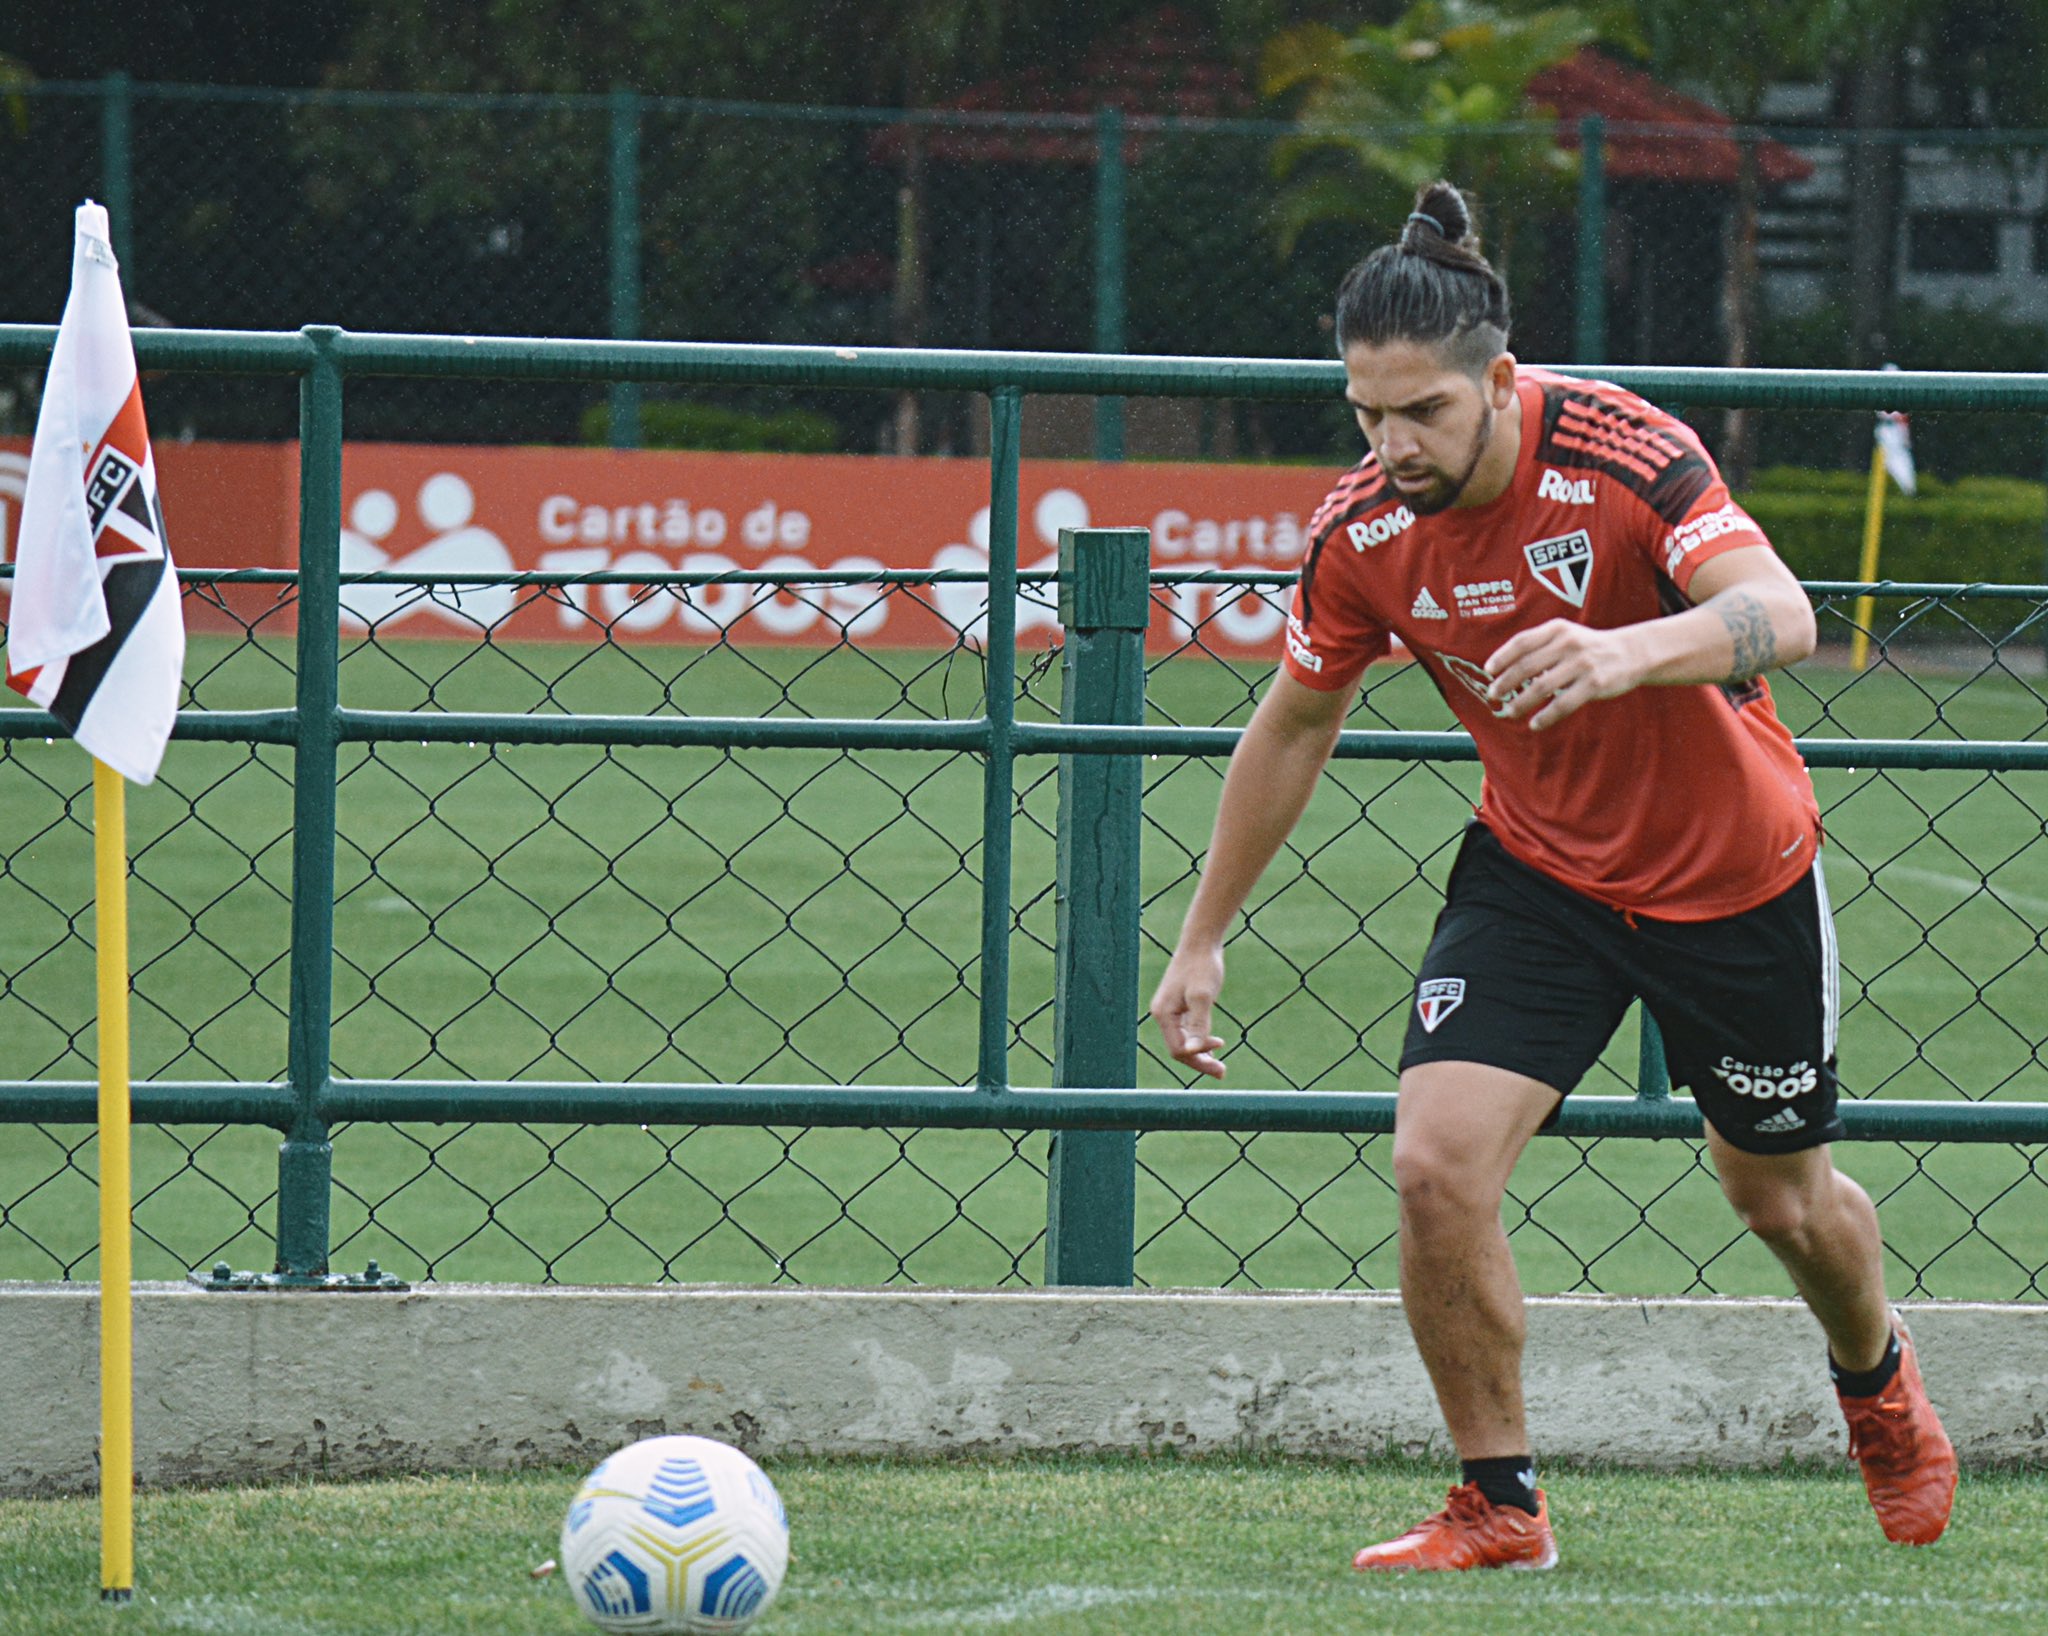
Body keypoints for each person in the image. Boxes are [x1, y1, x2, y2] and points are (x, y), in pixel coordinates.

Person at [1149, 179, 1956, 1572]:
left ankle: (1876, 1382)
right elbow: (1294, 722)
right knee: (1433, 1167)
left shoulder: (1625, 453)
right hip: (1540, 876)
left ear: (1500, 381)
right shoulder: (1362, 529)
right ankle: (1500, 1503)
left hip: (1733, 876)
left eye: (1423, 411)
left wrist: (1623, 651)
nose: (1392, 445)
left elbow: (1781, 613)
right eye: (1366, 414)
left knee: (1780, 1202)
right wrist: (1203, 934)